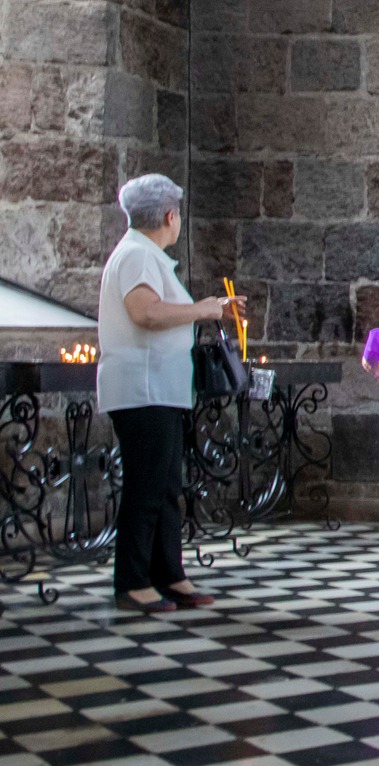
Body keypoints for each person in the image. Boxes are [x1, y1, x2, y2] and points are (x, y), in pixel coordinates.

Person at [96, 174, 245, 614]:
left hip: (159, 390)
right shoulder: (137, 255)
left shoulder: (147, 256)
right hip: (143, 391)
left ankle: (168, 575)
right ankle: (132, 582)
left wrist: (209, 308)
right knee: (145, 489)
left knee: (165, 488)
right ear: (169, 216)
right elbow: (145, 313)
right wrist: (203, 310)